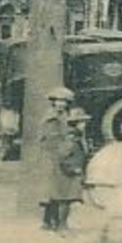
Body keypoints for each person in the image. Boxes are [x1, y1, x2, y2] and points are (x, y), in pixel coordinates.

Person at [37, 87, 86, 233]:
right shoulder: (51, 118)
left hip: (58, 156)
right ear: (52, 102)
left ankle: (49, 223)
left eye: (64, 101)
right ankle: (61, 226)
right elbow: (52, 139)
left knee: (54, 192)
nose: (61, 104)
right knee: (64, 193)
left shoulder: (63, 115)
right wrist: (74, 135)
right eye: (58, 101)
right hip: (56, 157)